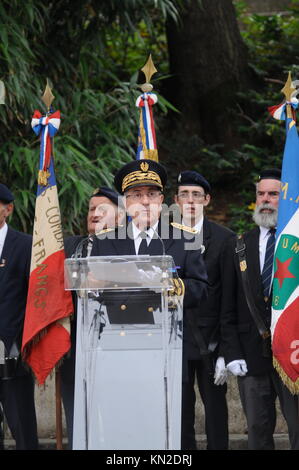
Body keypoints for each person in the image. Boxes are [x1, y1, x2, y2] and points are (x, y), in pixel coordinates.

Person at [221, 168, 299, 450]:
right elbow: (227, 306)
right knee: (256, 430)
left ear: (287, 197)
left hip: (293, 353)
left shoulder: (297, 244)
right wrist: (230, 353)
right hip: (251, 356)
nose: (266, 200)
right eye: (261, 194)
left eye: (273, 194)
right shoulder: (239, 244)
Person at [60, 186, 125, 448]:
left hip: (114, 347)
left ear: (120, 217)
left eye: (102, 210)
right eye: (90, 209)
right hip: (73, 347)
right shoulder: (67, 246)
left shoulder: (129, 250)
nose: (94, 214)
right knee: (77, 420)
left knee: (114, 421)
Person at [174, 170, 234, 450]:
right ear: (175, 200)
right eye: (184, 194)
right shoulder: (165, 238)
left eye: (196, 195)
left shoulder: (225, 239)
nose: (190, 200)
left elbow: (228, 296)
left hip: (211, 342)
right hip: (176, 340)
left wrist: (226, 349)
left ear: (207, 200)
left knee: (215, 412)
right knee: (181, 411)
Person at [0, 183, 38, 450]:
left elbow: (35, 299)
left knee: (23, 427)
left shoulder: (25, 245)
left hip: (13, 352)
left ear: (8, 208)